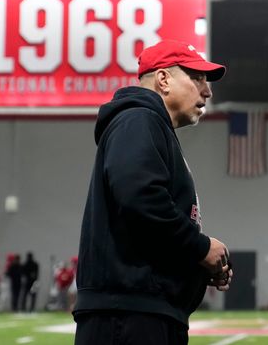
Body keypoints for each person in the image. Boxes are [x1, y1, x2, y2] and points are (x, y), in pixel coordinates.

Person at [73, 39, 233, 345]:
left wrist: (197, 266)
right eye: (197, 78)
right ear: (163, 79)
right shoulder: (138, 119)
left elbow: (146, 230)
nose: (207, 91)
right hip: (129, 316)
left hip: (140, 312)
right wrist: (200, 247)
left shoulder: (149, 125)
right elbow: (140, 199)